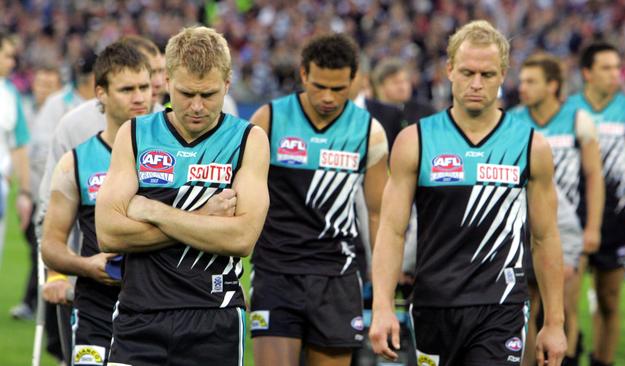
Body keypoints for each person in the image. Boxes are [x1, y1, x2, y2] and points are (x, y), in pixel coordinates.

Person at [369, 20, 567, 366]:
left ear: (504, 74)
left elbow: (546, 237)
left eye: (487, 75)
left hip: (501, 306)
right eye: (467, 72)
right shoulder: (416, 140)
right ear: (449, 70)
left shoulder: (530, 146)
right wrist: (383, 306)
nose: (476, 84)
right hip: (433, 304)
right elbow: (392, 230)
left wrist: (554, 322)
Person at [96, 26, 269, 366]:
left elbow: (242, 238)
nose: (197, 107)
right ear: (168, 81)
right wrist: (204, 217)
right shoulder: (135, 133)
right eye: (187, 93)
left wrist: (154, 210)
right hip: (139, 315)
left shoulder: (248, 139)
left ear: (228, 84)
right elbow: (108, 233)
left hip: (213, 316)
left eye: (209, 94)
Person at [249, 33, 389, 366]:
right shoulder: (269, 119)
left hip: (336, 275)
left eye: (339, 89)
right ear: (303, 75)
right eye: (319, 86)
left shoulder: (370, 131)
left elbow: (378, 215)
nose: (327, 97)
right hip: (276, 271)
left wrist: (382, 288)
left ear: (354, 81)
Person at [40, 40, 153, 366]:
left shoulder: (173, 156)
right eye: (127, 89)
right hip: (96, 309)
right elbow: (51, 246)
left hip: (157, 307)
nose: (140, 97)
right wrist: (86, 266)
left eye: (145, 87)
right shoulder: (75, 162)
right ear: (100, 92)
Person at [511, 54, 605, 366]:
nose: (522, 87)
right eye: (522, 80)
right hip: (522, 230)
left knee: (563, 307)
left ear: (552, 85)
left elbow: (594, 175)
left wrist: (592, 227)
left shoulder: (578, 119)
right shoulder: (512, 120)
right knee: (524, 309)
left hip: (567, 230)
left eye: (531, 81)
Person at [566, 42, 625, 366]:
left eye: (618, 68)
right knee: (565, 302)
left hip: (614, 220)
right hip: (571, 218)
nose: (616, 74)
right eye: (607, 68)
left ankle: (603, 361)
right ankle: (570, 357)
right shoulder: (568, 110)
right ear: (587, 72)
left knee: (610, 301)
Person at [10, 65, 62, 321]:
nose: (44, 90)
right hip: (29, 193)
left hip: (53, 197)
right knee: (35, 247)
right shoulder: (26, 115)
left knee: (40, 249)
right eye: (40, 84)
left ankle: (33, 302)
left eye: (50, 85)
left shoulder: (64, 117)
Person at [0, 31, 32, 273]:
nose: (12, 62)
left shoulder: (10, 94)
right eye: (8, 55)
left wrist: (24, 192)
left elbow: (19, 146)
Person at [371, 57, 435, 126]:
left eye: (405, 81)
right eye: (396, 82)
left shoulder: (425, 111)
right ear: (381, 87)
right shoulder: (372, 115)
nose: (402, 87)